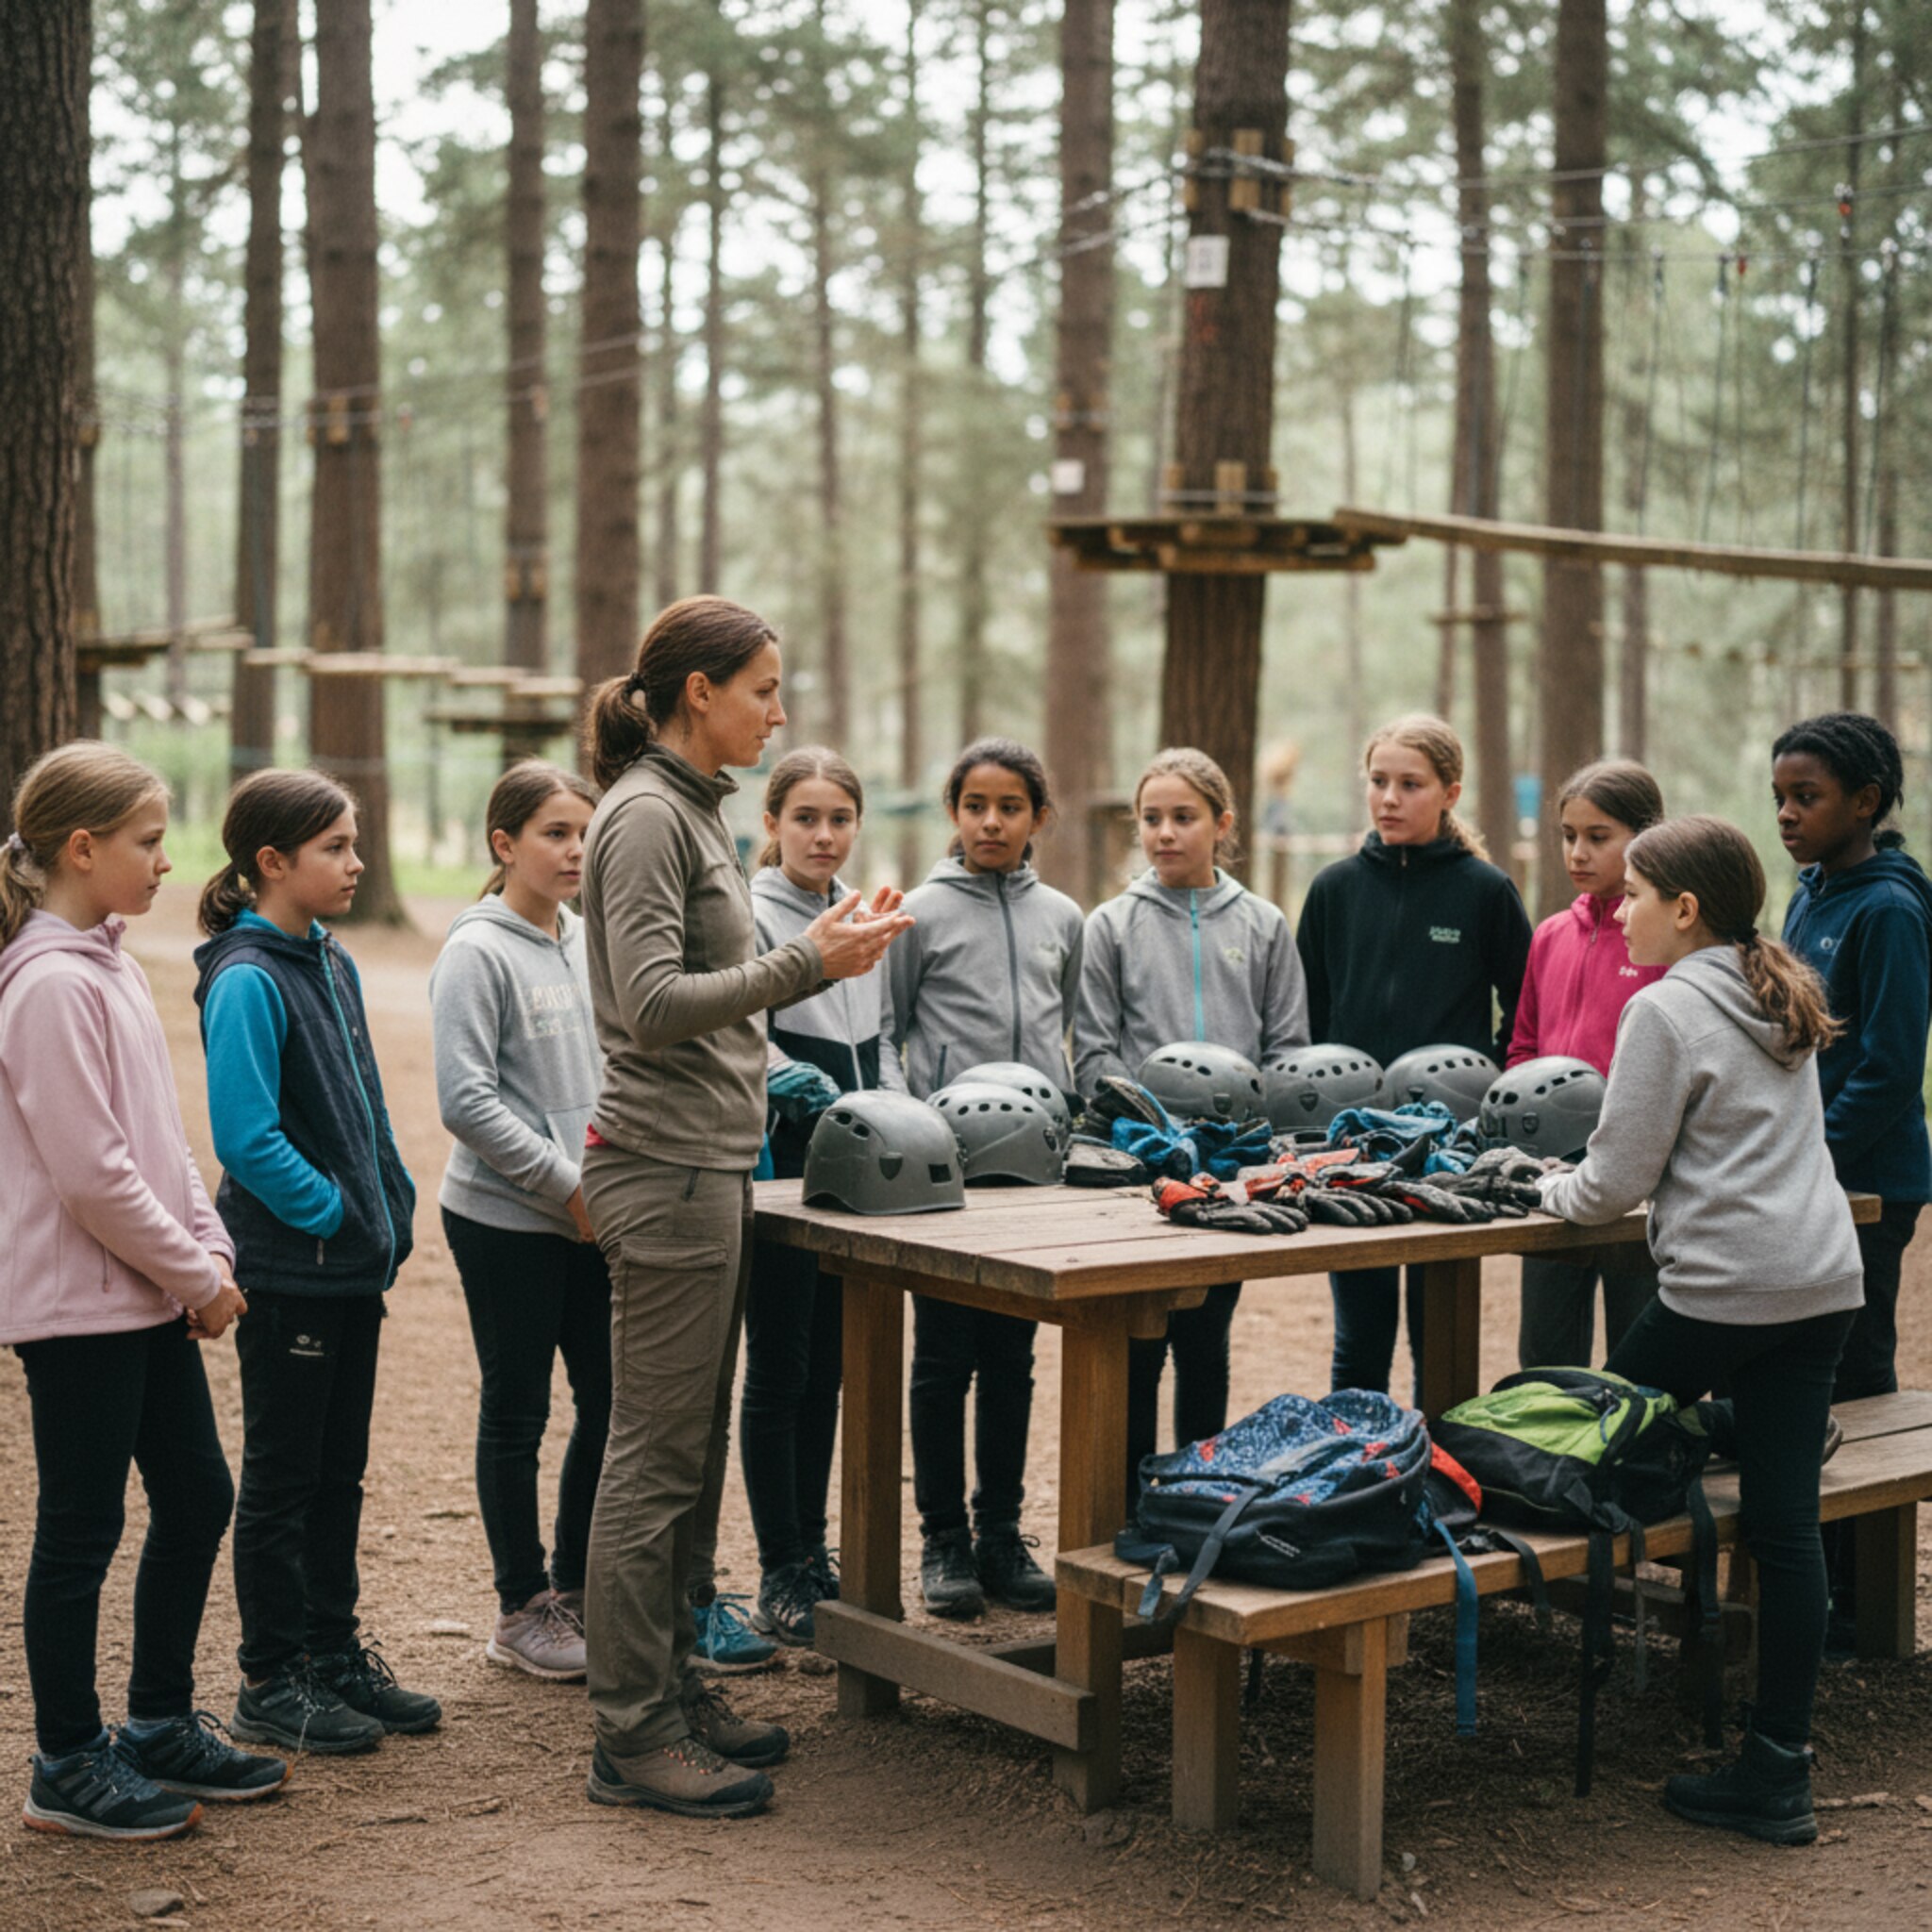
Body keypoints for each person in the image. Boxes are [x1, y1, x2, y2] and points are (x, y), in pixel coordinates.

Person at [576, 595, 910, 1820]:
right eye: (764, 687)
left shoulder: (693, 812)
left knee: (692, 1455)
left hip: (710, 1166)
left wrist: (814, 959)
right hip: (661, 1171)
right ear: (698, 692)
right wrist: (807, 963)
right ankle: (632, 1738)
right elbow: (649, 1001)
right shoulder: (643, 818)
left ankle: (674, 1695)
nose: (781, 710)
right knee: (654, 1465)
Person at [1539, 813, 1862, 1845]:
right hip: (1818, 1285)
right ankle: (1777, 1772)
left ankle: (1531, 1660)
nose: (1616, 908)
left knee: (1571, 1427)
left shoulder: (1667, 1009)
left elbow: (1611, 1183)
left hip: (1721, 1292)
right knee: (1785, 1526)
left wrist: (1540, 1187)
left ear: (1683, 908)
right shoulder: (1779, 989)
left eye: (1631, 891)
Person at [0, 743, 276, 1841]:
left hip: (147, 1288)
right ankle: (67, 1760)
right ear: (82, 848)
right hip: (80, 1306)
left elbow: (154, 1143)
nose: (168, 862)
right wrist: (190, 1271)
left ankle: (157, 1720)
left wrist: (208, 1252)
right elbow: (89, 1172)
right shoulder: (49, 981)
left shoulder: (108, 960)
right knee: (79, 1527)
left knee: (198, 1493)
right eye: (149, 841)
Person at [193, 769, 435, 1757]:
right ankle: (271, 1677)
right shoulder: (248, 975)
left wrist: (389, 1198)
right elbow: (247, 1137)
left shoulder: (327, 957)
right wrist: (333, 1209)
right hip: (294, 1268)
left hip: (350, 1268)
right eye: (335, 846)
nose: (355, 862)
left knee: (340, 1474)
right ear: (272, 861)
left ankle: (332, 1656)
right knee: (285, 1477)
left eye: (354, 842)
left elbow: (363, 1102)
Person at [1074, 746, 1308, 1498]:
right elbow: (1094, 1054)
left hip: (1232, 1172)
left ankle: (1197, 1497)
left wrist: (1245, 1136)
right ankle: (1131, 1503)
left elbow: (1288, 1050)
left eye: (1184, 817)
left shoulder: (1266, 924)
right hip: (1139, 1172)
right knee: (1139, 1344)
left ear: (1223, 824)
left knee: (1206, 1341)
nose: (1165, 832)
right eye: (1152, 819)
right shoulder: (1109, 925)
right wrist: (1149, 1130)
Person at [885, 737, 1084, 1621]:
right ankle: (942, 1545)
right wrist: (917, 1122)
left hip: (1033, 1176)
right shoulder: (918, 913)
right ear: (953, 813)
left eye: (1009, 806)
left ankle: (1000, 1537)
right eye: (975, 805)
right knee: (942, 1358)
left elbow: (1066, 1028)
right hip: (948, 1174)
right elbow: (887, 1032)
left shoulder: (1066, 918)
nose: (991, 822)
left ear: (1039, 816)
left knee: (1013, 1357)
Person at [430, 759, 608, 1683]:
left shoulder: (584, 938)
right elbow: (464, 1099)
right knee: (517, 1409)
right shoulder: (476, 949)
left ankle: (577, 1588)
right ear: (504, 844)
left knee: (609, 1397)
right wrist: (561, 1182)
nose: (574, 848)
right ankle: (519, 1604)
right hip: (505, 1219)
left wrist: (600, 1184)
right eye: (553, 832)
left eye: (583, 830)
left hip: (589, 1213)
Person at [1294, 715, 1531, 1397]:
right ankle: (1355, 1469)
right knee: (1359, 1337)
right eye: (1378, 782)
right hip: (1351, 1142)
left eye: (1410, 784)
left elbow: (1522, 1012)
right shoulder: (1334, 889)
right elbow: (1309, 1012)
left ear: (1450, 792)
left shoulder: (1485, 891)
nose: (1389, 798)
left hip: (1446, 1147)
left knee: (1442, 1331)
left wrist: (1485, 1099)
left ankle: (1443, 1474)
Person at [1772, 711, 1932, 1644]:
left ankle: (1864, 1604)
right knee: (1804, 1366)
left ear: (1863, 802)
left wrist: (1811, 1156)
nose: (1788, 814)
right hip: (1810, 1176)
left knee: (1857, 1369)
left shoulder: (1887, 908)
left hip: (1867, 1182)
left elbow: (1884, 1064)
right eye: (1779, 798)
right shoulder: (1812, 891)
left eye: (1807, 796)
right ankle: (1821, 1576)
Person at [742, 746, 890, 1647]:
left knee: (831, 1366)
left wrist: (893, 1115)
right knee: (781, 1364)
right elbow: (741, 1031)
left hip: (859, 1161)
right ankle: (778, 1566)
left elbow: (888, 1035)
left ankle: (813, 1553)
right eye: (805, 818)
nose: (824, 835)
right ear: (772, 825)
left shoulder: (867, 914)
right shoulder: (752, 913)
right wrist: (794, 1082)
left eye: (839, 818)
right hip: (782, 1156)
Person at [1508, 759, 1667, 1370]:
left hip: (1640, 1183)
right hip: (1552, 1178)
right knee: (1546, 1356)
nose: (1578, 852)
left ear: (1645, 838)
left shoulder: (1664, 940)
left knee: (1640, 1353)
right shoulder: (1549, 934)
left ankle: (1639, 1464)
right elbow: (1523, 1048)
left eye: (1598, 837)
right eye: (1569, 836)